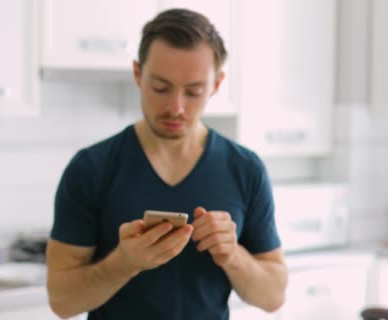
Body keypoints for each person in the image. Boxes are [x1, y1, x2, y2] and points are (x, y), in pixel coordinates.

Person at [46, 8, 287, 320]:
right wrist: (125, 262)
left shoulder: (245, 169)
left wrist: (232, 254)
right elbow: (62, 301)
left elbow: (273, 297)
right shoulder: (91, 168)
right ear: (137, 73)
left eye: (193, 92)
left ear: (216, 85)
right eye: (160, 87)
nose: (176, 107)